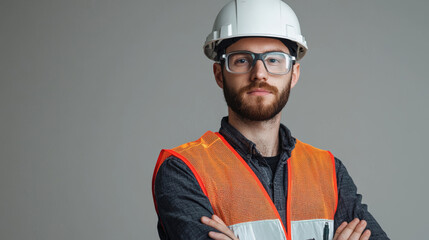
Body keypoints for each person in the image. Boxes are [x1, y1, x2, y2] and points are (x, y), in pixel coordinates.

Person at [152, 0, 389, 239]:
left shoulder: (329, 171)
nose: (259, 73)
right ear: (219, 75)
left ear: (293, 74)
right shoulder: (184, 169)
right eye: (242, 60)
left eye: (274, 60)